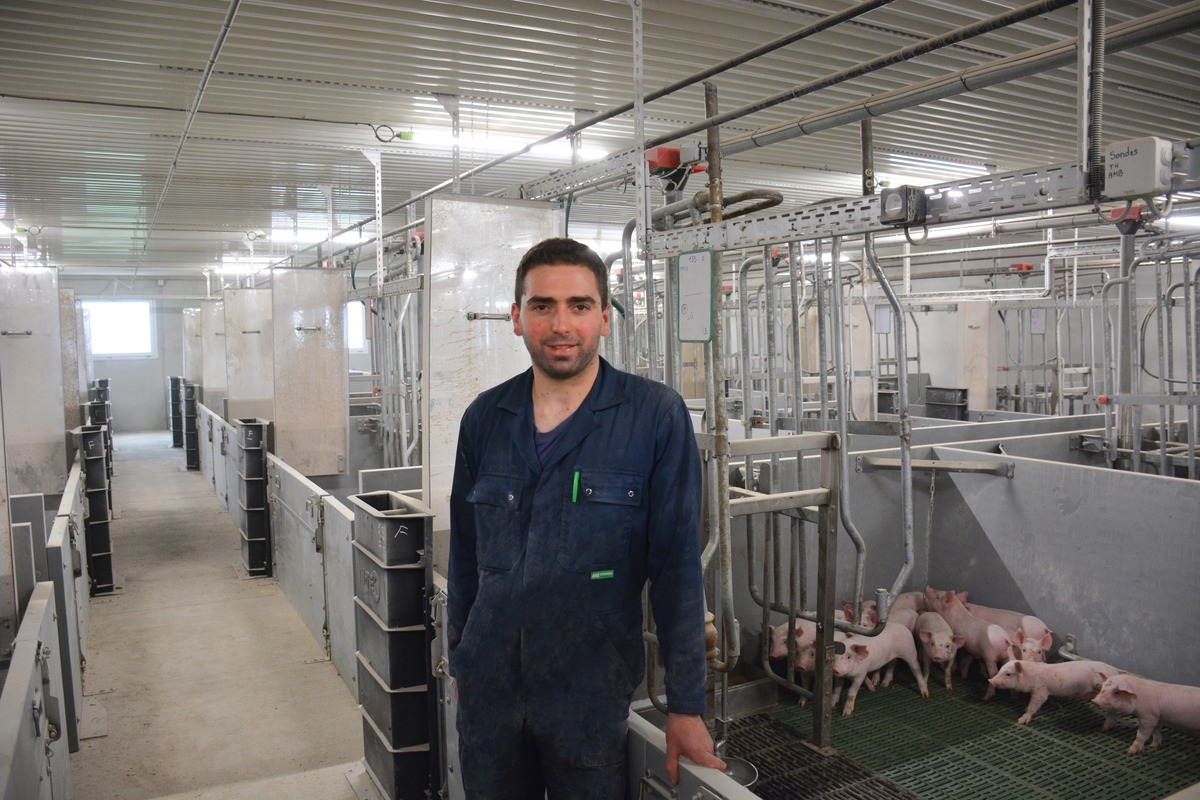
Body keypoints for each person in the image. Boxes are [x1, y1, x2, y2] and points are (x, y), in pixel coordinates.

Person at [447, 237, 725, 798]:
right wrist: (461, 660)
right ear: (516, 318)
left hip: (589, 693)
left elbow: (676, 571)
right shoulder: (485, 418)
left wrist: (686, 706)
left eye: (579, 306)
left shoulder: (654, 416)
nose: (560, 324)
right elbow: (465, 556)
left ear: (604, 317)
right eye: (542, 306)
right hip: (490, 693)